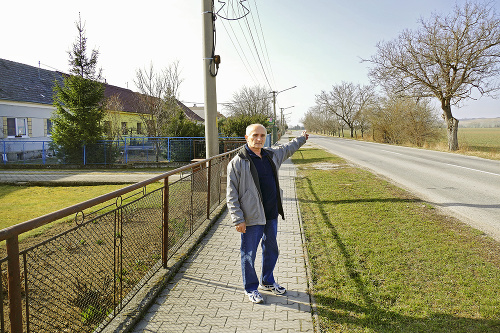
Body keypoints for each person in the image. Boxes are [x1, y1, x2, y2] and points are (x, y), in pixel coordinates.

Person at [226, 124, 309, 303]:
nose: (259, 139)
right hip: (250, 217)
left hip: (271, 214)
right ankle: (251, 288)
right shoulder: (238, 162)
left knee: (271, 249)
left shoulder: (270, 155)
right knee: (249, 254)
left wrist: (302, 139)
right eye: (255, 135)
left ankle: (267, 281)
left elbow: (288, 148)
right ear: (246, 137)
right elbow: (231, 194)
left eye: (262, 135)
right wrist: (237, 219)